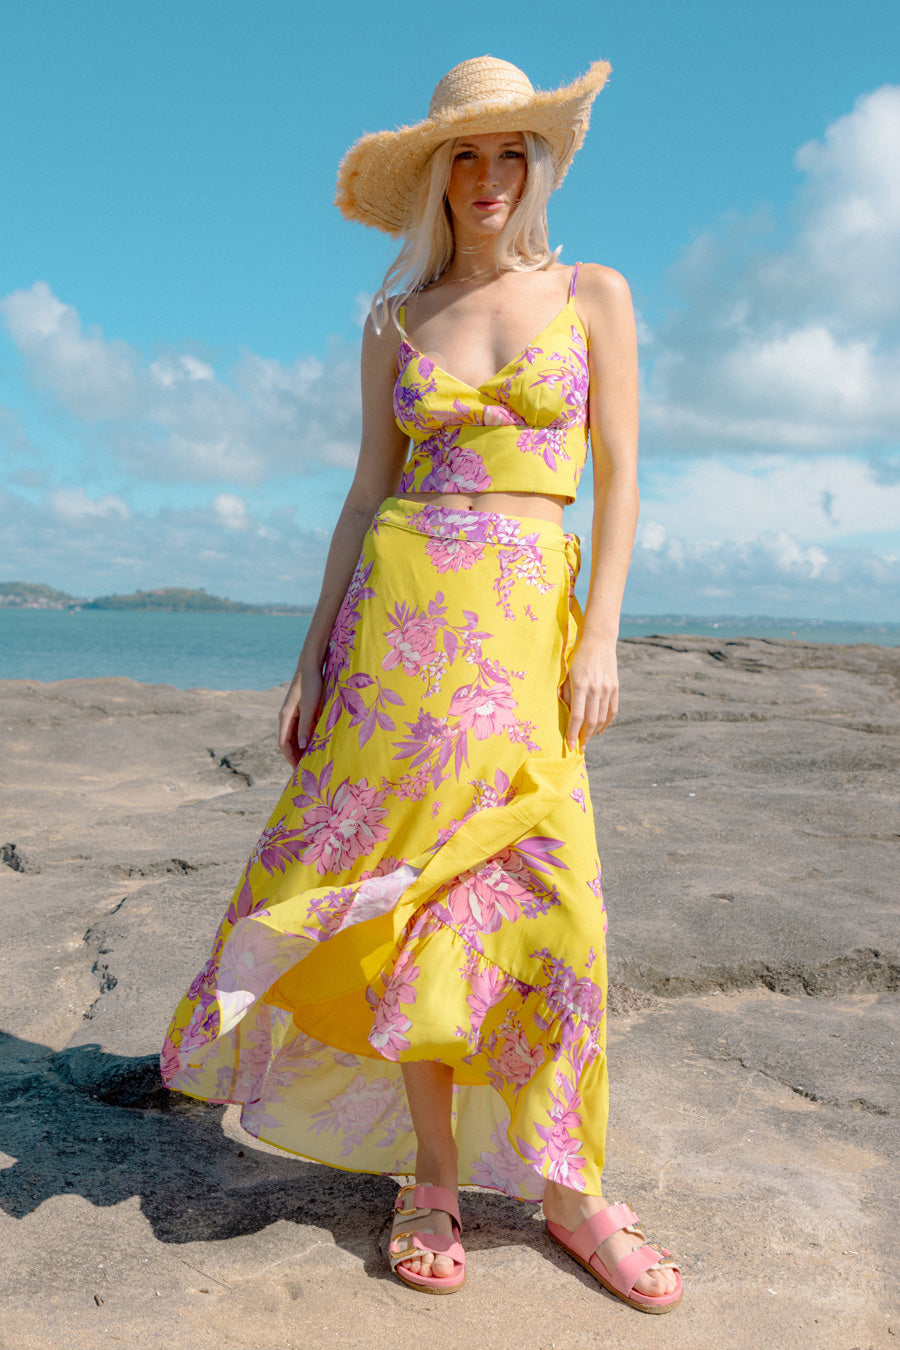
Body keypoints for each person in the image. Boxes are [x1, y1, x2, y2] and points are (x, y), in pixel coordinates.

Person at [161, 55, 682, 1313]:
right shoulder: (394, 319)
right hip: (398, 632)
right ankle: (434, 1176)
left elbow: (618, 483)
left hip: (522, 636)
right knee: (410, 908)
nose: (491, 177)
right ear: (435, 174)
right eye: (467, 154)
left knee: (561, 910)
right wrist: (308, 655)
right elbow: (361, 496)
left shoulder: (594, 290)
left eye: (513, 153)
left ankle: (570, 1188)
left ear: (539, 166)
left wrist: (601, 635)